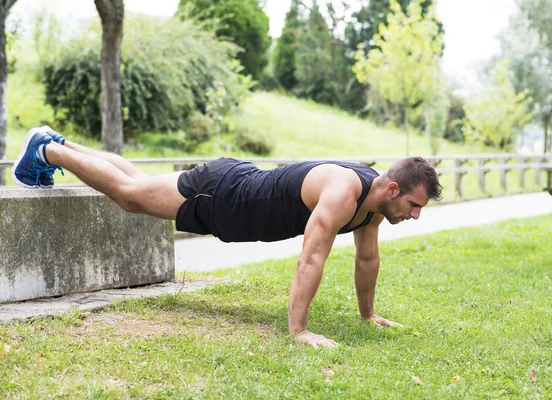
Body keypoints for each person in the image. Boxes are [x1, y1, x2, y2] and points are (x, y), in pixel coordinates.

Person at [12, 126, 443, 348]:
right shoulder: (343, 191)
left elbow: (367, 261)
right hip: (225, 196)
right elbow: (311, 258)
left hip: (232, 193)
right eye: (413, 205)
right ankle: (47, 152)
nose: (416, 215)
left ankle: (55, 143)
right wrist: (298, 330)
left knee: (139, 184)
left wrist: (367, 316)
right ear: (392, 190)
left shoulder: (370, 210)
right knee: (131, 198)